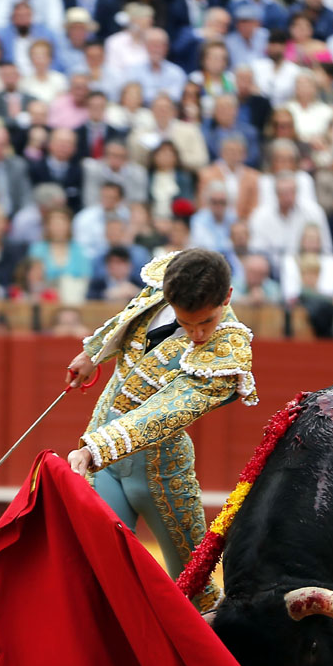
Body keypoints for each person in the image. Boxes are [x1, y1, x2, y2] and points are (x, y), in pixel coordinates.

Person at [65, 248, 259, 610]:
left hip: (159, 473)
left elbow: (163, 413)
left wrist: (95, 448)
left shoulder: (228, 351)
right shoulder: (162, 288)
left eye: (207, 322)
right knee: (102, 576)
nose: (199, 334)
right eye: (188, 325)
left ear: (228, 297)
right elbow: (130, 315)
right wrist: (93, 353)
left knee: (196, 590)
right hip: (104, 461)